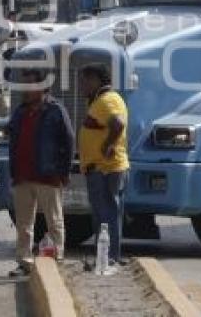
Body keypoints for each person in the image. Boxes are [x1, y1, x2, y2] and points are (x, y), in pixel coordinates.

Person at [7, 69, 74, 277]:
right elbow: (12, 136)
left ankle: (57, 259)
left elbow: (68, 141)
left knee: (54, 221)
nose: (26, 90)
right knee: (24, 224)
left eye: (31, 85)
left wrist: (63, 171)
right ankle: (24, 262)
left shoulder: (55, 110)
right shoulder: (20, 111)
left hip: (48, 175)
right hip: (22, 176)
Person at [78, 63, 129, 267]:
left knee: (106, 215)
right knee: (104, 215)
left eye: (85, 81)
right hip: (102, 168)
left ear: (97, 80)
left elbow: (117, 124)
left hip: (105, 169)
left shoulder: (107, 100)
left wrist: (108, 145)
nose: (82, 85)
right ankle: (106, 257)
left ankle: (109, 257)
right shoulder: (102, 100)